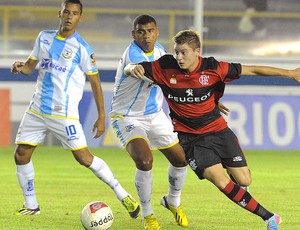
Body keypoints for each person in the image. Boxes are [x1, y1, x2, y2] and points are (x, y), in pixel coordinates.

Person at [124, 29, 300, 229]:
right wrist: (132, 68)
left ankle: (232, 181)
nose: (179, 58)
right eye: (176, 52)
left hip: (219, 131)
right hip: (191, 140)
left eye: (183, 53)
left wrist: (291, 73)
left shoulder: (214, 68)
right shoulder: (165, 67)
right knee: (220, 180)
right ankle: (268, 217)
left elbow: (253, 69)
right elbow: (130, 67)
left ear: (197, 51)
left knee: (244, 179)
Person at [11, 0, 140, 218]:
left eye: (75, 13)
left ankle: (123, 195)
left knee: (84, 158)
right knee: (21, 154)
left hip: (64, 113)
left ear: (80, 17)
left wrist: (101, 117)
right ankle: (31, 206)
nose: (70, 17)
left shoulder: (82, 48)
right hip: (36, 109)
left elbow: (96, 83)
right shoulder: (43, 37)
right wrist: (20, 67)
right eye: (66, 12)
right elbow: (30, 67)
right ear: (59, 14)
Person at [109, 14, 188, 229]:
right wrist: (132, 69)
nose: (146, 36)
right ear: (133, 34)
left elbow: (177, 76)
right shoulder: (132, 54)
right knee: (145, 161)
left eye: (150, 31)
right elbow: (131, 67)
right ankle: (148, 215)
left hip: (154, 115)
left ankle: (173, 201)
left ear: (157, 32)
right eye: (141, 32)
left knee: (181, 159)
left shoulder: (161, 51)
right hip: (126, 116)